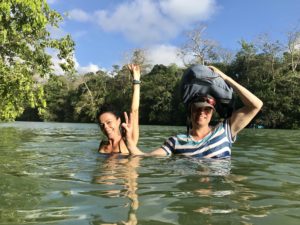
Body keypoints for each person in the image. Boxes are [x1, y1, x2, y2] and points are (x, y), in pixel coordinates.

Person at [122, 65, 263, 158]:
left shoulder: (226, 130)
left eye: (207, 109)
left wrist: (226, 78)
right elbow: (144, 156)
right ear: (190, 112)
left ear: (212, 112)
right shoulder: (176, 141)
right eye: (197, 108)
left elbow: (256, 105)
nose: (202, 112)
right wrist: (128, 141)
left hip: (219, 197)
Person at [96, 64, 140, 154]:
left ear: (118, 121)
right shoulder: (102, 145)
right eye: (102, 125)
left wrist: (136, 80)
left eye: (109, 122)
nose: (106, 127)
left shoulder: (127, 140)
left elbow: (134, 111)